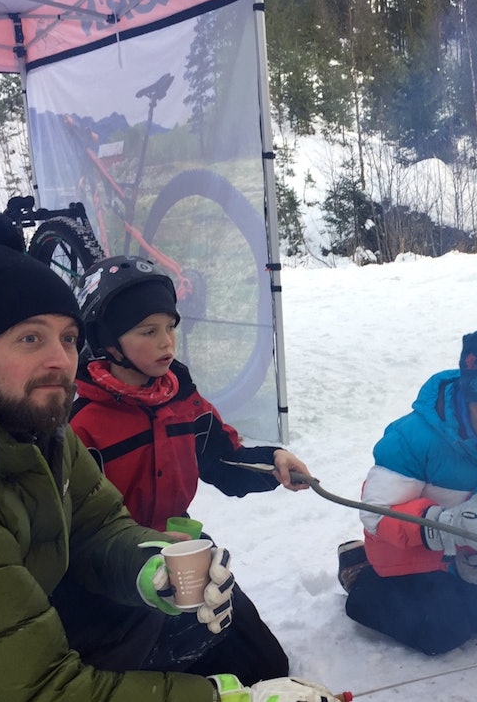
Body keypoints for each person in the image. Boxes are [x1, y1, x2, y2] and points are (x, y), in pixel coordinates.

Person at [0, 240, 333, 702]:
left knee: (237, 648)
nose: (58, 360)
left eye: (67, 339)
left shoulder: (33, 426)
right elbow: (35, 689)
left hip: (10, 619)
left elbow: (98, 524)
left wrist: (147, 566)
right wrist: (217, 697)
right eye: (30, 338)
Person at [59, 254, 312, 684]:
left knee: (265, 668)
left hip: (184, 557)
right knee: (157, 681)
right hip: (110, 581)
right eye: (148, 331)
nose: (167, 343)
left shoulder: (179, 398)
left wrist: (273, 463)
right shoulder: (79, 420)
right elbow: (70, 529)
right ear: (108, 341)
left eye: (171, 327)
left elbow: (220, 457)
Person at [339, 325, 477, 655]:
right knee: (442, 632)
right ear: (476, 393)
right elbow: (376, 514)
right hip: (407, 552)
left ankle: (451, 592)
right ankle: (359, 574)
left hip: (463, 555)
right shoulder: (415, 438)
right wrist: (445, 527)